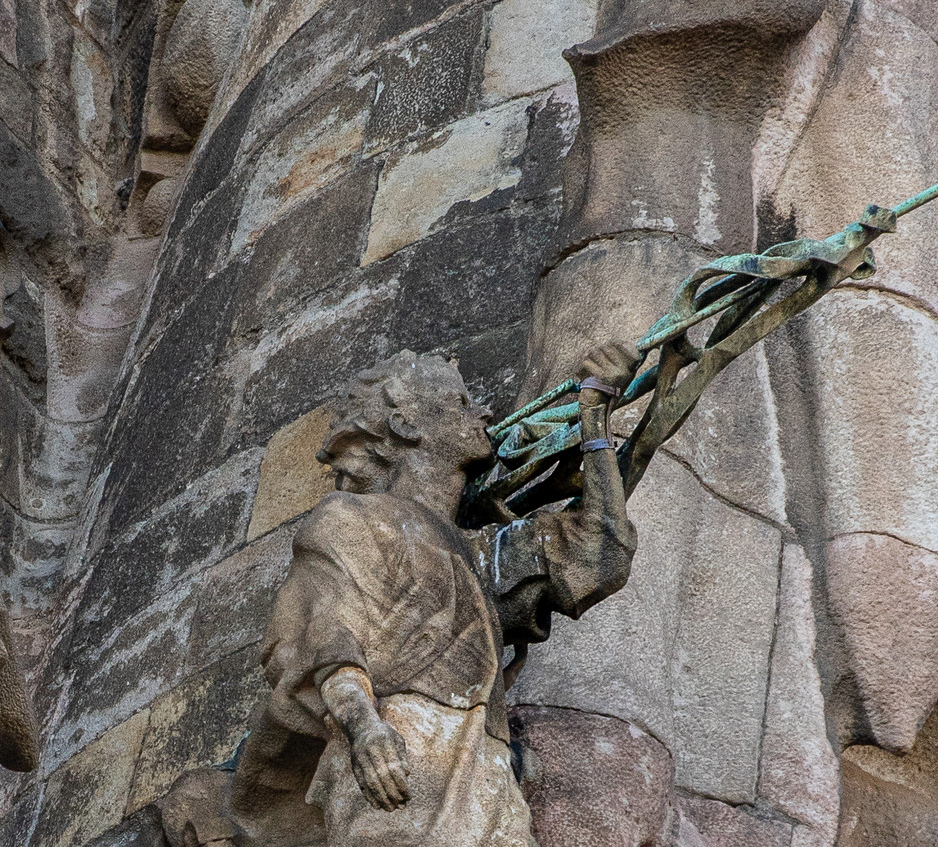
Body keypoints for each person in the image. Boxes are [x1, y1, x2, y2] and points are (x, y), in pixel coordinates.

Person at [229, 349, 638, 847]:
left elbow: (601, 554)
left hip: (486, 771)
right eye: (460, 402)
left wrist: (595, 413)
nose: (482, 414)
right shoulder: (351, 518)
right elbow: (330, 635)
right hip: (398, 752)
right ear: (405, 424)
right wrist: (364, 729)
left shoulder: (478, 551)